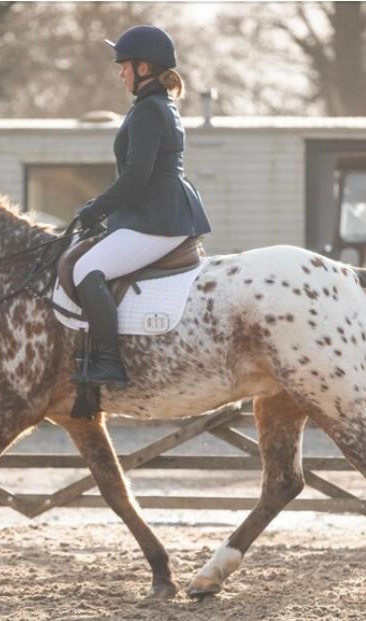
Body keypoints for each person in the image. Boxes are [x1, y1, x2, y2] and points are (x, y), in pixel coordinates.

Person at [72, 24, 212, 386]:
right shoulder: (157, 105)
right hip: (159, 213)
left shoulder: (149, 110)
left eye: (125, 66)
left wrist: (96, 209)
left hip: (158, 218)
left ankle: (109, 363)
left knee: (87, 271)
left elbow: (136, 176)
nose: (120, 73)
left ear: (144, 69)